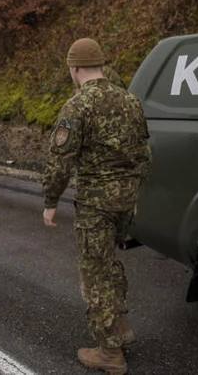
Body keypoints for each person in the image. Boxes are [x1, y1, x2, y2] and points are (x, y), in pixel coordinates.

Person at [41, 38, 152, 375]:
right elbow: (144, 152)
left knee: (95, 273)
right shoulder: (130, 101)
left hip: (95, 205)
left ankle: (110, 352)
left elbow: (61, 161)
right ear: (102, 65)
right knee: (109, 264)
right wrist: (132, 190)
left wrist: (50, 201)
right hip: (126, 201)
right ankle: (118, 328)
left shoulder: (77, 107)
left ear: (74, 69)